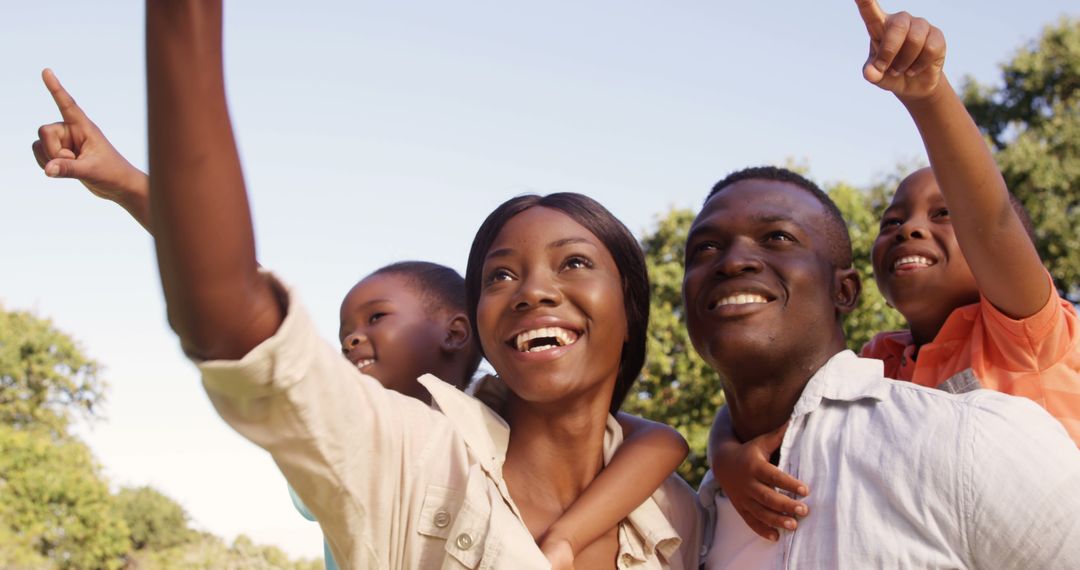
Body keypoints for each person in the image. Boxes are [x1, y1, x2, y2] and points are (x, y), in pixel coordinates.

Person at [33, 67, 696, 568]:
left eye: (574, 263)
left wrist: (566, 536)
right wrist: (134, 186)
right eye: (499, 274)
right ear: (487, 326)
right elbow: (246, 309)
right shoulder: (402, 448)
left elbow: (659, 439)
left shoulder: (680, 513)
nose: (532, 291)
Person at [705, 0, 1080, 542]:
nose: (909, 229)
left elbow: (993, 221)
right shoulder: (879, 362)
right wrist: (727, 458)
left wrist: (928, 97)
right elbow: (762, 404)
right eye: (892, 220)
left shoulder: (1028, 336)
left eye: (945, 213)